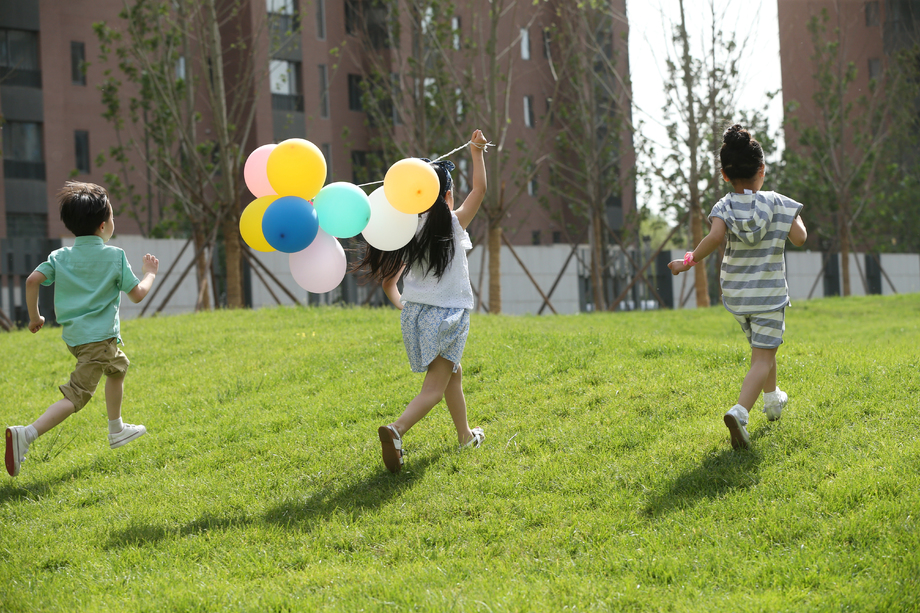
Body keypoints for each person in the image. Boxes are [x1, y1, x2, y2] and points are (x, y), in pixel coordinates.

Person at [5, 182, 159, 477]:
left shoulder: (60, 256)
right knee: (76, 396)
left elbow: (32, 281)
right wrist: (150, 273)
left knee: (118, 367)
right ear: (103, 225)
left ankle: (116, 429)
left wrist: (35, 317)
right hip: (98, 339)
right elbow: (138, 294)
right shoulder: (114, 256)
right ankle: (27, 434)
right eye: (112, 217)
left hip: (76, 339)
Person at [668, 124, 807, 450]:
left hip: (738, 296)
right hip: (768, 295)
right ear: (762, 169)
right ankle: (740, 413)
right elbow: (800, 238)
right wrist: (793, 214)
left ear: (725, 175)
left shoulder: (724, 206)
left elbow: (714, 237)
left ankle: (772, 401)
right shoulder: (778, 202)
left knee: (763, 349)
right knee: (762, 357)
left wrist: (687, 261)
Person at [357, 130, 489, 473]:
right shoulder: (454, 224)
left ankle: (465, 436)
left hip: (416, 317)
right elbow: (479, 190)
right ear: (447, 195)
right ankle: (397, 430)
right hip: (447, 318)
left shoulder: (408, 230)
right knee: (433, 388)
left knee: (453, 372)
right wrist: (477, 153)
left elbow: (389, 282)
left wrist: (408, 306)